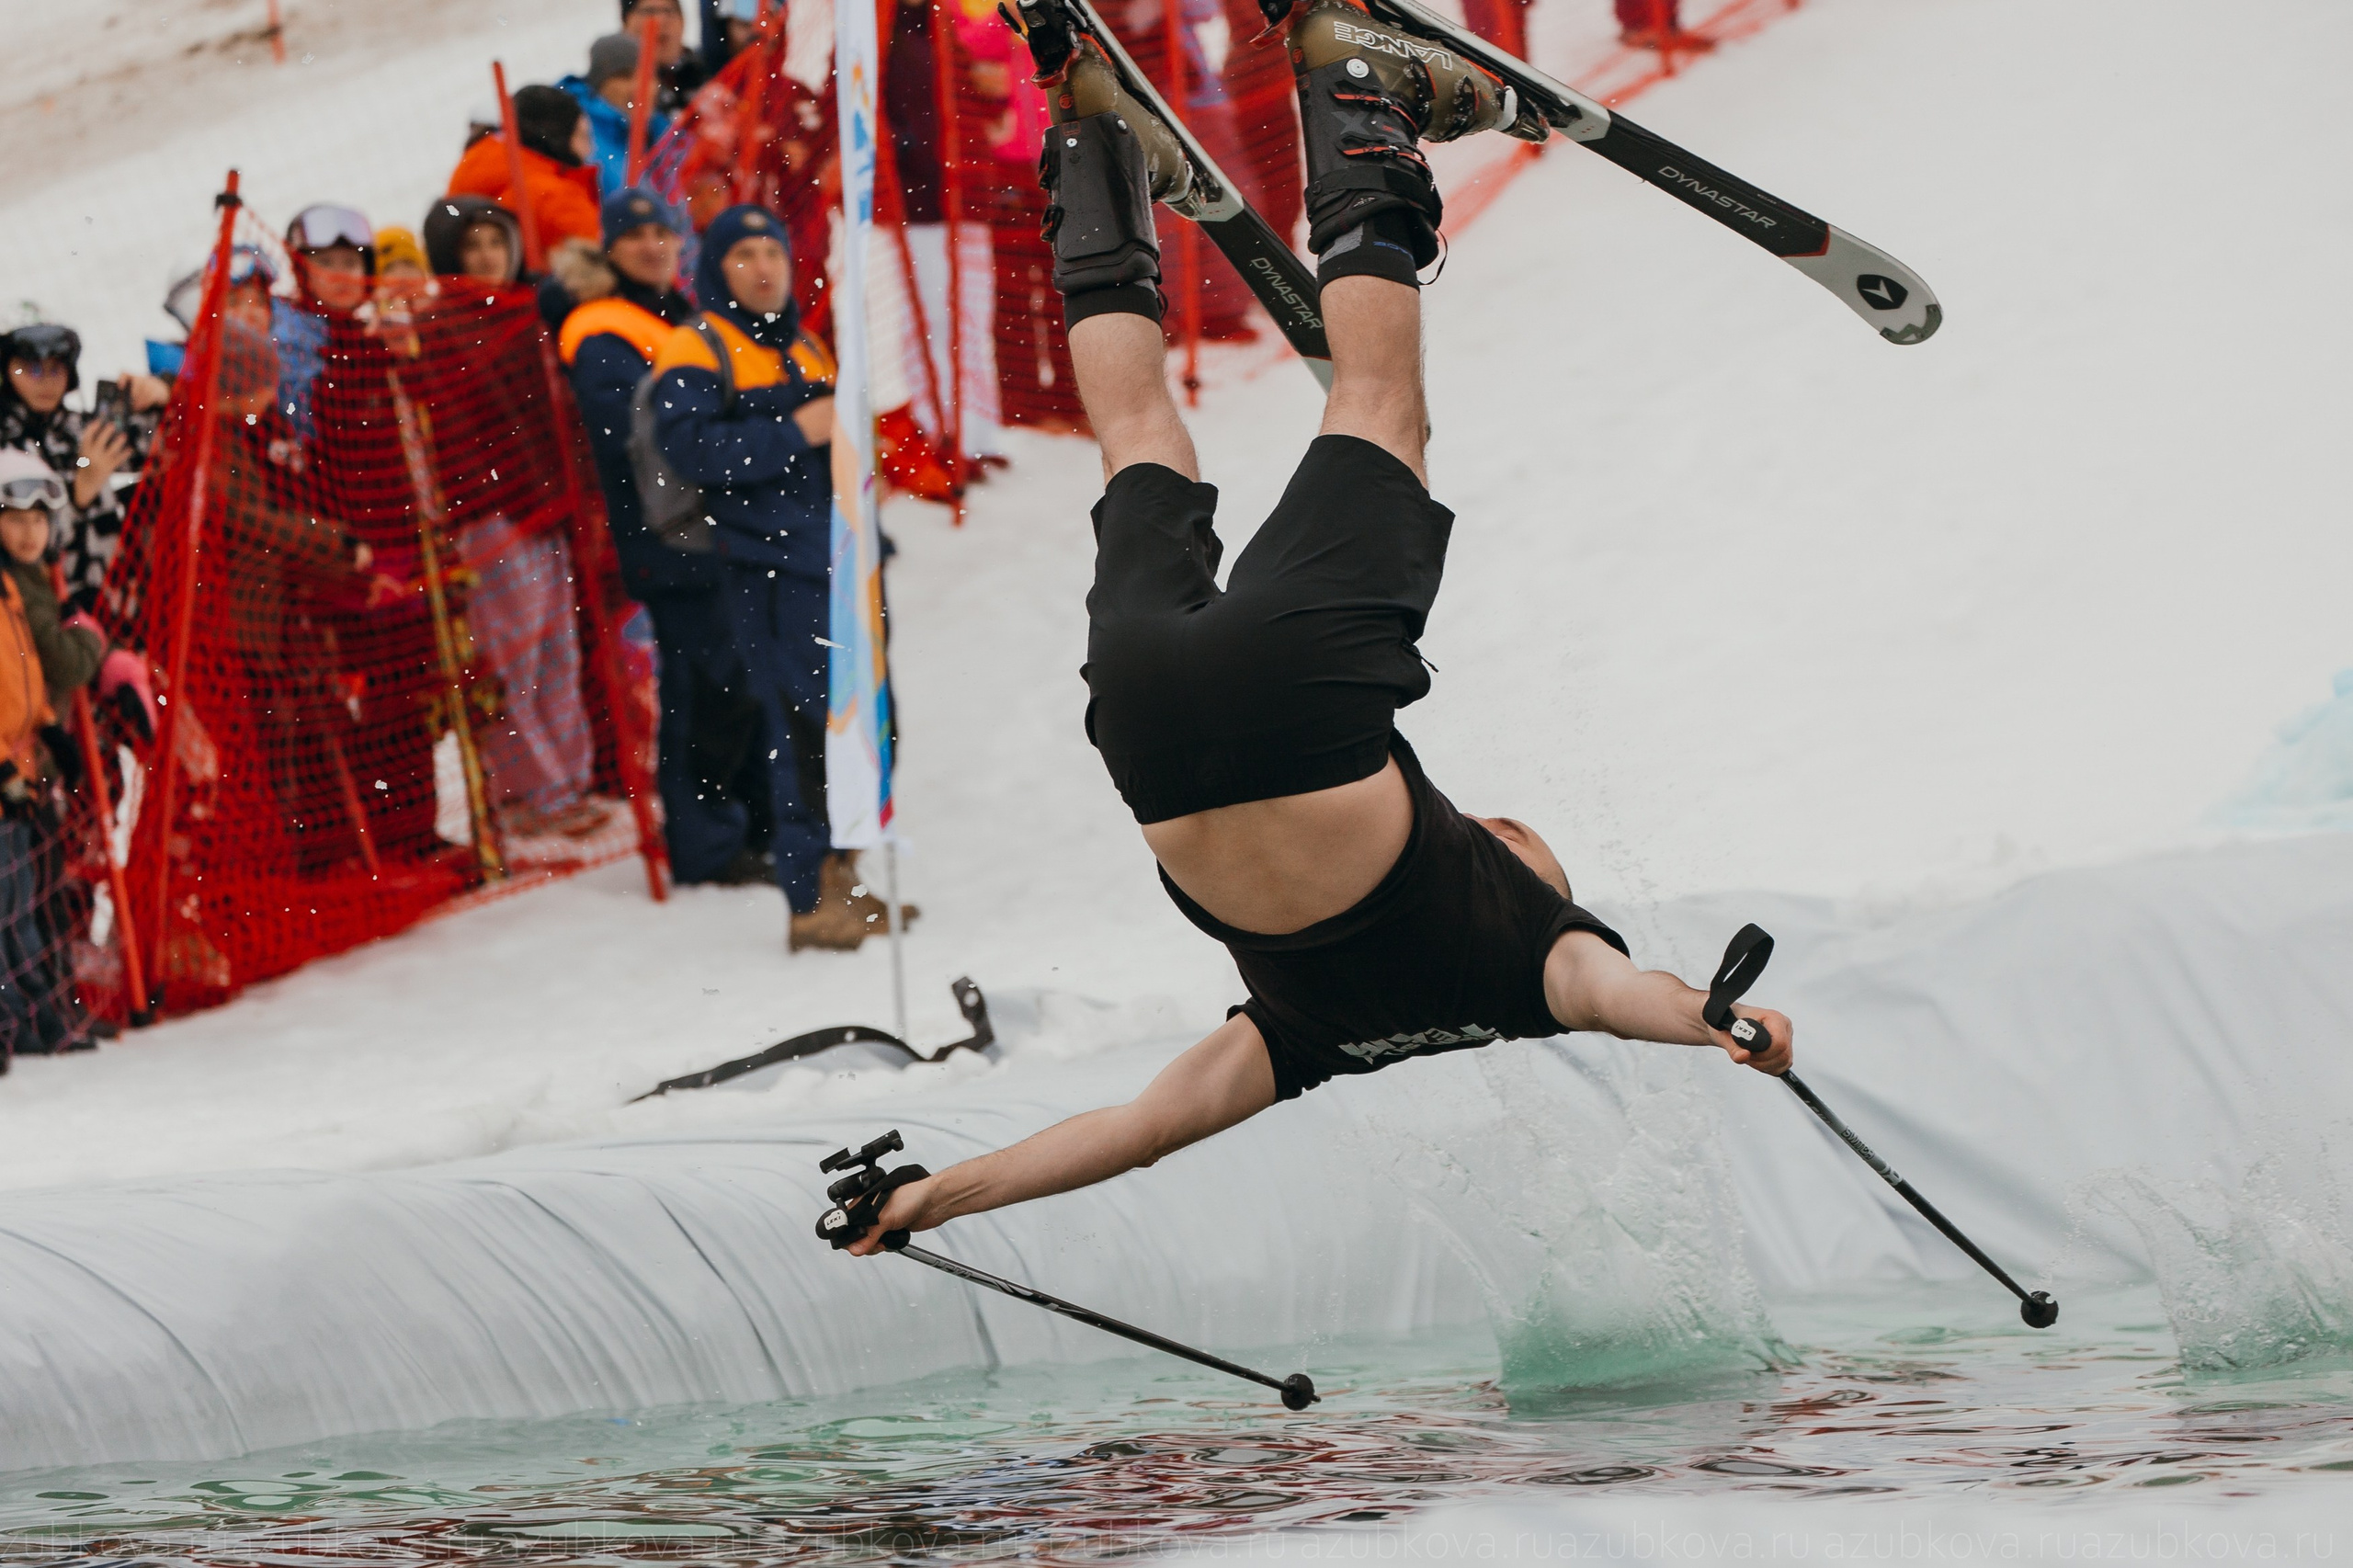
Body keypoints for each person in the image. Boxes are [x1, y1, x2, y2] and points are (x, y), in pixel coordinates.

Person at [840, 0, 1794, 1253]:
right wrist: (925, 1200)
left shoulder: (1535, 963)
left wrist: (1715, 1024)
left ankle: (1355, 99)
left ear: (1541, 887)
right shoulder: (1306, 1039)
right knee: (1136, 443)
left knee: (1381, 398)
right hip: (1150, 740)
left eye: (1528, 848)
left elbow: (1626, 995)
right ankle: (1088, 152)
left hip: (1304, 702)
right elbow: (1138, 1126)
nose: (1507, 830)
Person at [650, 205, 909, 949]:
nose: (764, 268)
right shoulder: (697, 347)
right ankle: (808, 895)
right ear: (715, 267)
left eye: (774, 250)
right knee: (802, 731)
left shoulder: (805, 344)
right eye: (745, 254)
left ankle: (843, 874)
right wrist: (797, 430)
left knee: (867, 722)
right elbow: (691, 451)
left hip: (844, 557)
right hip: (772, 568)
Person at [558, 188, 772, 884]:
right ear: (610, 250)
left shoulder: (671, 313)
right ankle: (704, 844)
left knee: (739, 681)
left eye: (662, 233)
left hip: (717, 525)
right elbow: (631, 435)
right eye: (636, 236)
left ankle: (750, 824)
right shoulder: (603, 332)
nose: (653, 246)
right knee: (704, 688)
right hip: (669, 536)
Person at [2, 324, 167, 618]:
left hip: (114, 603)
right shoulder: (6, 448)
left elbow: (173, 448)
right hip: (45, 615)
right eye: (33, 370)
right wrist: (79, 494)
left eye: (56, 370)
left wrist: (163, 392)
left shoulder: (81, 429)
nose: (47, 383)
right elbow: (23, 542)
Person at [446, 86, 602, 252]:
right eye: (582, 136)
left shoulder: (480, 166)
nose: (590, 149)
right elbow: (598, 264)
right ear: (558, 139)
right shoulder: (555, 199)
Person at [563, 33, 674, 197]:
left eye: (648, 76)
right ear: (599, 84)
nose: (640, 87)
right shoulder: (580, 136)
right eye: (625, 76)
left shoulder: (665, 132)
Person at [620, 0, 708, 115]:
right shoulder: (607, 87)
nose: (660, 20)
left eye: (668, 11)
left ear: (683, 21)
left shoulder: (710, 76)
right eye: (649, 11)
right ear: (626, 22)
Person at [421, 197, 525, 285]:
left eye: (496, 242)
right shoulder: (442, 308)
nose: (487, 256)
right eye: (472, 246)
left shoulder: (534, 302)